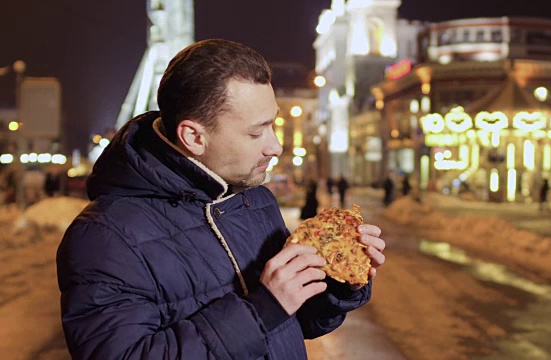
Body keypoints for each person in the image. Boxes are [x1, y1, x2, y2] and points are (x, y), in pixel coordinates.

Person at [56, 39, 386, 360]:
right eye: (256, 133)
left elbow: (299, 321)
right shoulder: (105, 238)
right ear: (194, 136)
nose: (275, 147)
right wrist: (263, 308)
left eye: (273, 125)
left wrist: (338, 281)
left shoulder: (255, 201)